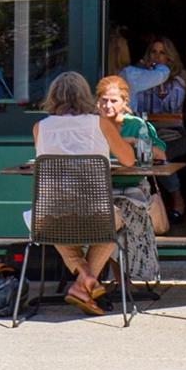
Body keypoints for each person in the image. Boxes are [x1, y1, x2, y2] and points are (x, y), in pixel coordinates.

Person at [31, 71, 131, 316]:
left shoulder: (40, 127)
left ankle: (82, 281)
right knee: (113, 226)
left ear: (52, 96)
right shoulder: (99, 123)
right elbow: (128, 160)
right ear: (86, 96)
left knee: (49, 222)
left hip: (54, 215)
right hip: (95, 213)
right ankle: (85, 282)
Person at [94, 76, 166, 288]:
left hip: (131, 187)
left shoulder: (137, 125)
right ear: (97, 102)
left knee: (120, 213)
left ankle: (103, 279)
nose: (108, 105)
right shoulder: (92, 124)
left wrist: (134, 142)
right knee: (104, 218)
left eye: (114, 100)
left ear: (125, 102)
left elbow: (161, 154)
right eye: (104, 100)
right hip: (99, 187)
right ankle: (108, 279)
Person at [121, 36, 186, 221]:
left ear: (170, 57)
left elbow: (169, 106)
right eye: (154, 52)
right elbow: (136, 106)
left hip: (173, 133)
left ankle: (177, 199)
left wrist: (157, 78)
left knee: (157, 157)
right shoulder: (139, 76)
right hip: (147, 132)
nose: (157, 57)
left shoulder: (177, 80)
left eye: (162, 53)